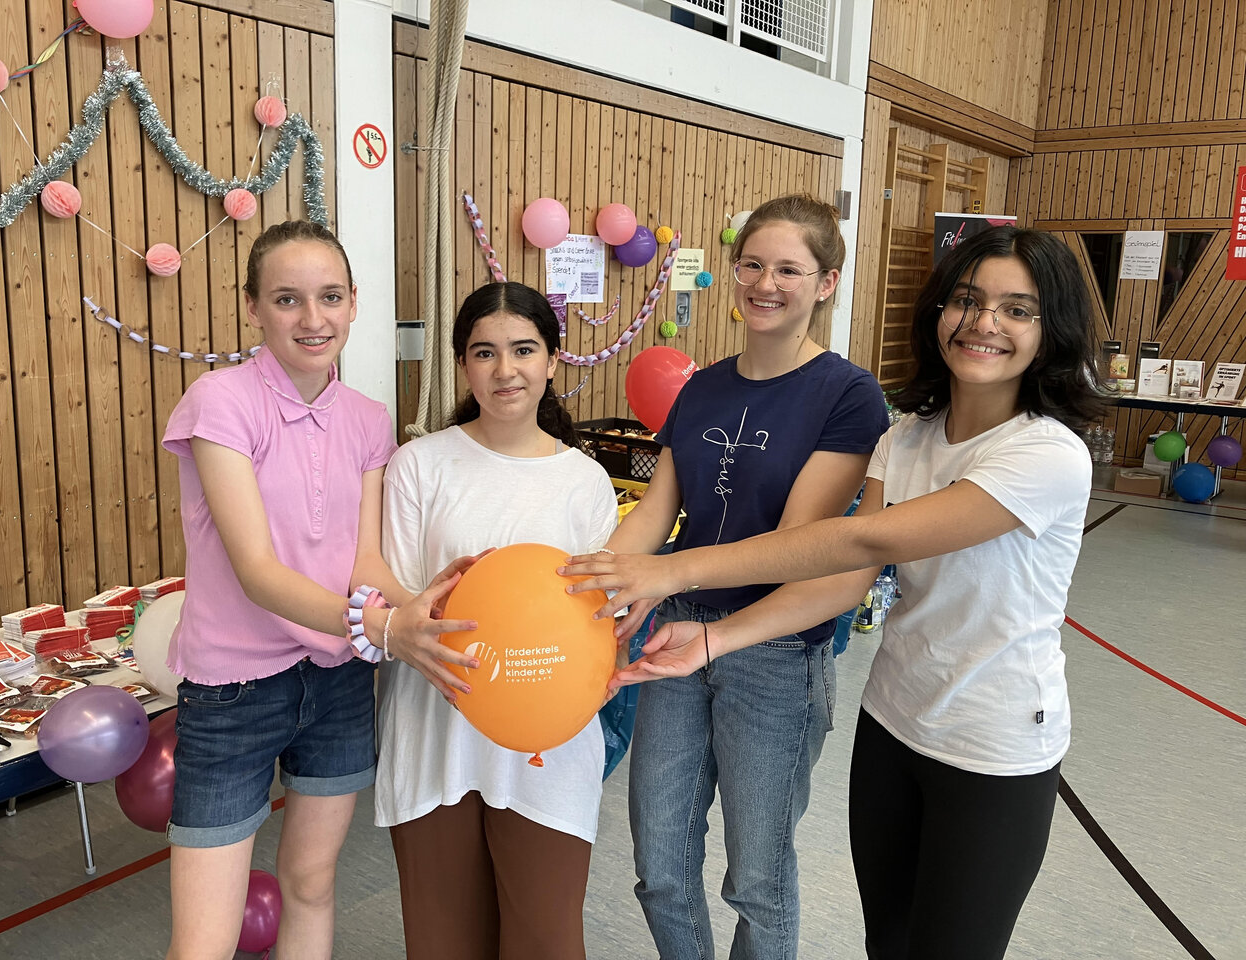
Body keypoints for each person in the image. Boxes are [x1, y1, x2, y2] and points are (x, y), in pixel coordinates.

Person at [564, 226, 1107, 959]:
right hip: (893, 720)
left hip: (992, 739)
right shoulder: (908, 436)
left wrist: (671, 571)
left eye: (1018, 310)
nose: (984, 323)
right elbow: (845, 582)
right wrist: (694, 630)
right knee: (885, 936)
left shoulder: (1046, 454)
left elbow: (859, 543)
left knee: (940, 941)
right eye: (968, 301)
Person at [161, 220, 477, 960]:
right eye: (287, 299)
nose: (312, 319)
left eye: (329, 297)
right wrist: (387, 628)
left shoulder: (368, 420)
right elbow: (258, 572)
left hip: (336, 681)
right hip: (233, 687)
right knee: (203, 940)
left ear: (354, 302)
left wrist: (430, 608)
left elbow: (362, 561)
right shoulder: (221, 403)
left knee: (310, 885)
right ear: (253, 308)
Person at [595, 194, 888, 960]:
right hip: (677, 634)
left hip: (775, 650)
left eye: (789, 268)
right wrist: (610, 581)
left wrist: (666, 576)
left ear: (825, 283)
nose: (766, 282)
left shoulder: (848, 394)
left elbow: (798, 545)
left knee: (757, 879)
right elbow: (656, 512)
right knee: (659, 866)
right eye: (752, 264)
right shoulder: (701, 388)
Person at [374, 281, 618, 960]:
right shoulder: (420, 464)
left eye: (523, 350)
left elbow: (602, 617)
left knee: (546, 940)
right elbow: (395, 601)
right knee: (443, 941)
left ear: (551, 360)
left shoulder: (584, 481)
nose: (505, 369)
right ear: (462, 365)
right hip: (435, 731)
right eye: (484, 352)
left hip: (548, 745)